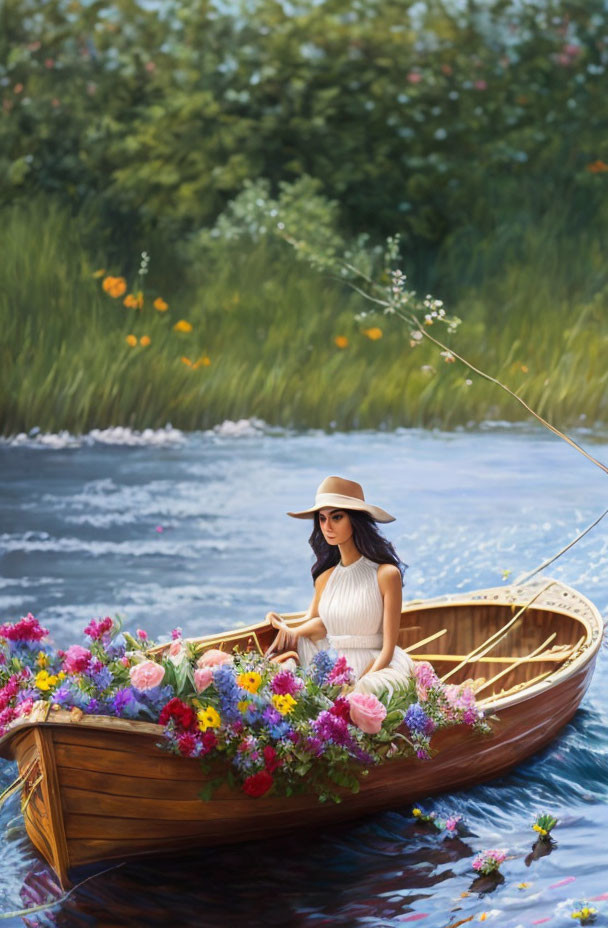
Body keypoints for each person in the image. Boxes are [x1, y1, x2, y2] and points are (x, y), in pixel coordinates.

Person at [265, 475, 414, 697]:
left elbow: (388, 649)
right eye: (322, 519)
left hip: (377, 667)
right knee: (285, 665)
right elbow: (316, 623)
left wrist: (360, 684)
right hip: (334, 665)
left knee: (365, 692)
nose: (327, 527)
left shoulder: (386, 574)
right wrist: (288, 628)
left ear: (355, 520)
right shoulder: (326, 577)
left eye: (336, 517)